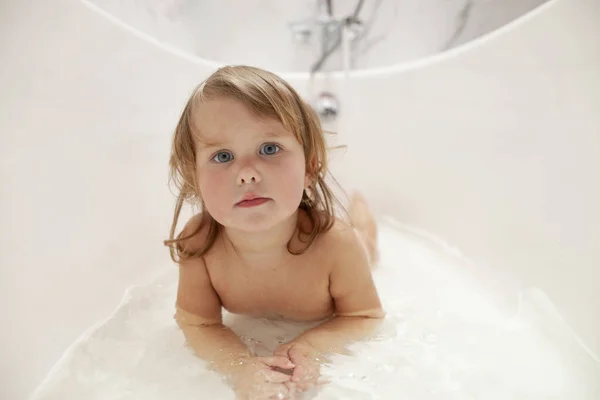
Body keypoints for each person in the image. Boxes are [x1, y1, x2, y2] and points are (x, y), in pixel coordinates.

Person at [164, 65, 384, 400]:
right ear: (195, 179)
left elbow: (363, 315)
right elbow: (198, 323)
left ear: (310, 168)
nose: (247, 174)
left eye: (269, 149)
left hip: (352, 250)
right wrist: (241, 367)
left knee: (366, 246)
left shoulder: (335, 245)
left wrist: (309, 347)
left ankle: (363, 221)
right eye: (222, 156)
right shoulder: (199, 245)